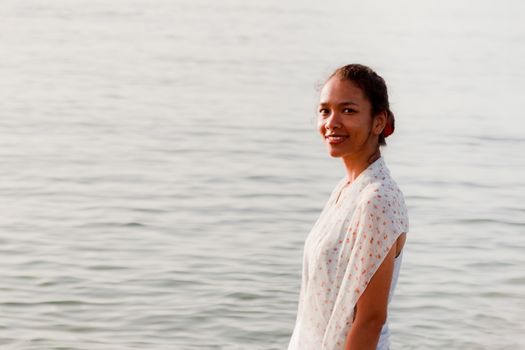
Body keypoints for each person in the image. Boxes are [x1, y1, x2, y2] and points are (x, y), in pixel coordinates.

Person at [287, 64, 409, 350]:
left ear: (378, 122)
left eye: (348, 110)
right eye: (324, 110)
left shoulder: (377, 199)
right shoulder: (346, 190)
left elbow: (370, 320)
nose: (331, 121)